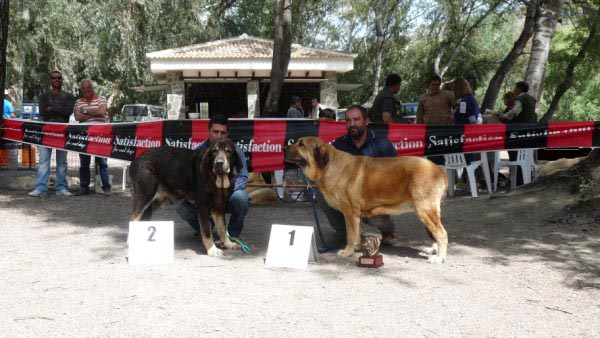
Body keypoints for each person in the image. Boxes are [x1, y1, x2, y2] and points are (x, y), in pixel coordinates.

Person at [317, 105, 398, 245]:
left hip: (374, 196)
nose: (352, 124)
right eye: (348, 120)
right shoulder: (337, 145)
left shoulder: (383, 145)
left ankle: (387, 230)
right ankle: (344, 232)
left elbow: (395, 175)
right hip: (347, 196)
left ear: (366, 121)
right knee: (322, 193)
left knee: (376, 217)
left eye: (356, 119)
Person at [176, 114, 250, 238]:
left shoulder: (236, 150)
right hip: (205, 197)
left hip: (227, 195)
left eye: (223, 132)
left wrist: (224, 190)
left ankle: (232, 234)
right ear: (208, 132)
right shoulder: (199, 152)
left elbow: (243, 177)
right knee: (184, 210)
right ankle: (206, 228)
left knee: (241, 199)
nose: (219, 136)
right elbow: (191, 178)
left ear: (228, 134)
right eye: (215, 132)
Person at [29, 71, 75, 197]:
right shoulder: (44, 96)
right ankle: (41, 188)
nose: (56, 79)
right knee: (43, 161)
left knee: (62, 162)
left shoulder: (69, 96)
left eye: (59, 78)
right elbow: (43, 113)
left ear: (62, 80)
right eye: (54, 78)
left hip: (62, 132)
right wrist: (59, 109)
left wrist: (52, 108)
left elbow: (68, 112)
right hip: (46, 132)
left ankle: (61, 188)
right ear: (50, 80)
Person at [73, 80, 112, 196]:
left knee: (102, 162)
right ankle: (84, 188)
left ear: (92, 87)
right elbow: (77, 116)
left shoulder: (102, 99)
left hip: (100, 135)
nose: (86, 90)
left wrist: (85, 111)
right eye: (84, 88)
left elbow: (102, 112)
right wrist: (95, 113)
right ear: (81, 90)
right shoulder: (78, 102)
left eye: (88, 87)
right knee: (84, 162)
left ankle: (106, 188)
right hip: (84, 135)